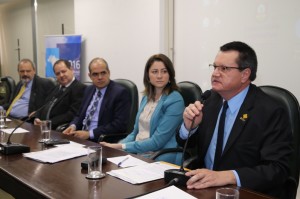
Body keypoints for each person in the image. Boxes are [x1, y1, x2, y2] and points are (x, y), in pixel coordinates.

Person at [177, 41, 292, 198]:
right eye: (215, 67)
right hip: (202, 188)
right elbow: (187, 145)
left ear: (245, 74)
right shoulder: (210, 100)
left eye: (224, 68)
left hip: (244, 192)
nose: (215, 73)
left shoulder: (270, 111)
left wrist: (226, 176)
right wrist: (189, 127)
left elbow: (278, 169)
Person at [101, 54, 185, 164]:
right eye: (154, 72)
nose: (159, 76)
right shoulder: (146, 97)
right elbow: (135, 132)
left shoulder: (175, 100)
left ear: (170, 75)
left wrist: (121, 146)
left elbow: (157, 142)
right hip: (139, 152)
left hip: (160, 155)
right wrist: (116, 147)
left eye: (164, 71)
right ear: (148, 76)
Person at [63, 57, 131, 142]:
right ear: (90, 76)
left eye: (103, 73)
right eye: (95, 74)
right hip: (80, 138)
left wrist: (90, 134)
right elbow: (79, 115)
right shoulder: (88, 90)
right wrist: (73, 126)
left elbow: (119, 125)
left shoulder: (120, 93)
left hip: (101, 141)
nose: (100, 77)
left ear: (109, 73)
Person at [33, 59, 86, 129]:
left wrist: (48, 122)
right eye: (58, 73)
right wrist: (37, 117)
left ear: (71, 69)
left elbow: (72, 114)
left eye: (63, 71)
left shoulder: (79, 88)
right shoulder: (56, 87)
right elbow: (45, 105)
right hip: (42, 127)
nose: (61, 75)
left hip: (57, 128)